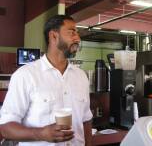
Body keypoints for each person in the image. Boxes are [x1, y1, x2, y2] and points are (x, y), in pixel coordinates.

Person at [0, 15, 93, 146]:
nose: (77, 38)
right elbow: (5, 128)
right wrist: (41, 133)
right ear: (53, 36)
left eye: (77, 33)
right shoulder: (25, 75)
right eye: (72, 32)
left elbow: (86, 120)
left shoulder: (81, 76)